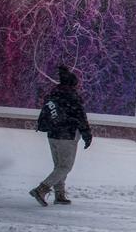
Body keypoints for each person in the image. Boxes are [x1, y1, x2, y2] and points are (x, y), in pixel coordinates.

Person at [30, 66, 93, 206]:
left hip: (52, 134)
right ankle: (42, 189)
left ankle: (59, 195)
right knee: (65, 167)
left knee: (58, 166)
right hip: (67, 135)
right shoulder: (73, 97)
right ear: (72, 84)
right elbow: (81, 117)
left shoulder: (54, 94)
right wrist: (87, 134)